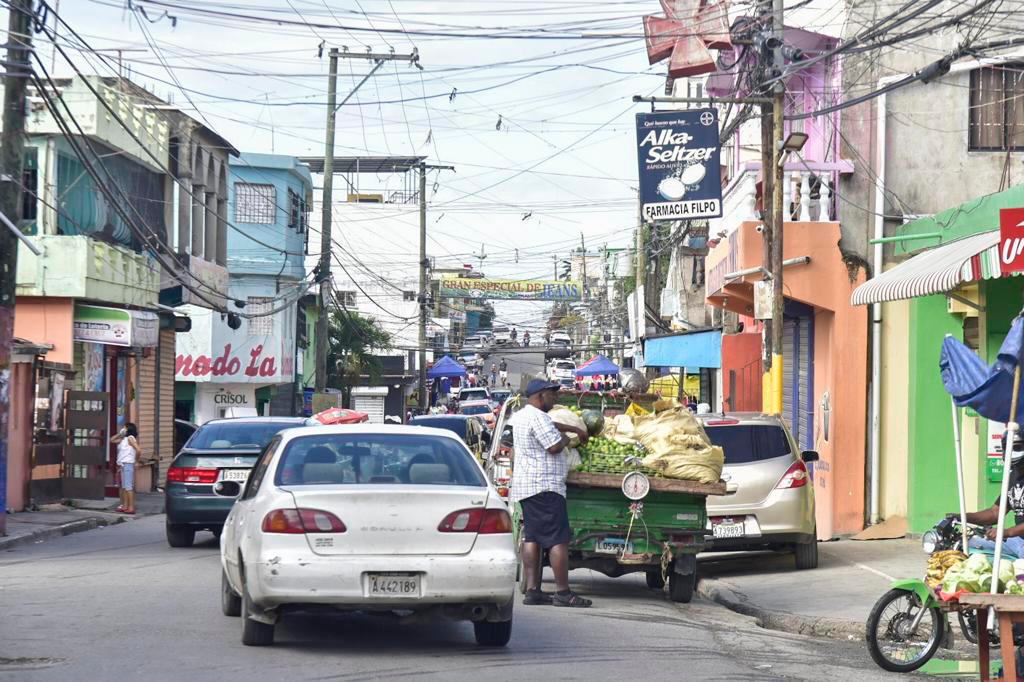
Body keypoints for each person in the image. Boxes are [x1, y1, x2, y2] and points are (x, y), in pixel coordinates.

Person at [509, 379, 592, 608]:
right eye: (552, 396)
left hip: (528, 487)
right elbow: (554, 446)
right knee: (558, 539)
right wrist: (569, 438)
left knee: (533, 537)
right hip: (545, 486)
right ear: (540, 395)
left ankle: (533, 590)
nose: (555, 400)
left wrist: (573, 428)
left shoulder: (523, 416)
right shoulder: (538, 417)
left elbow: (551, 425)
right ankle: (563, 592)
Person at [961, 433, 1024, 557]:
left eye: (1016, 447)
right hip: (1017, 540)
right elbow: (995, 513)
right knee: (966, 545)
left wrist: (1007, 532)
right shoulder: (1013, 476)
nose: (1011, 451)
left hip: (1014, 537)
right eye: (1008, 447)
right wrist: (962, 517)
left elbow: (1007, 532)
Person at [111, 422, 140, 514]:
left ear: (129, 429)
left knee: (128, 487)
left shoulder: (130, 438)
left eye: (125, 427)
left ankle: (131, 507)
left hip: (128, 464)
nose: (123, 428)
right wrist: (120, 434)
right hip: (122, 465)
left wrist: (136, 461)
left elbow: (138, 450)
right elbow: (112, 440)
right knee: (124, 487)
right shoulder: (123, 439)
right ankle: (125, 505)